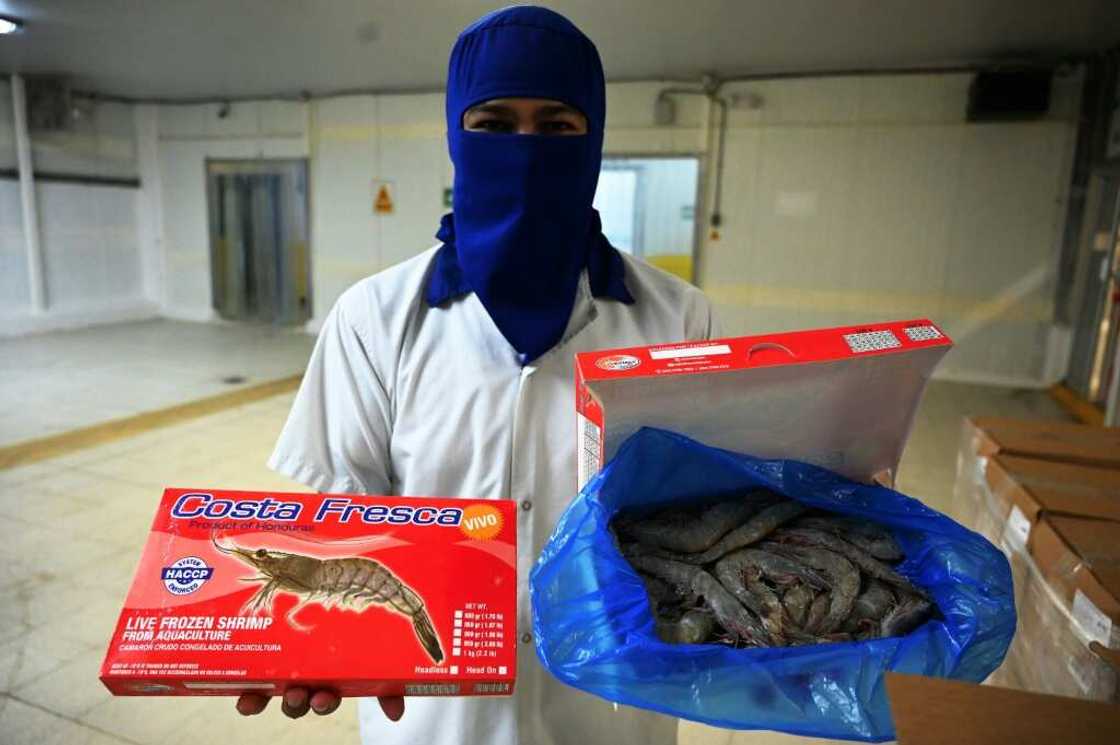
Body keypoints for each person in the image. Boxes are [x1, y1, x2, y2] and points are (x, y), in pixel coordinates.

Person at [237, 6, 717, 744]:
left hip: (610, 716)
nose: (526, 150)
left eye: (557, 125)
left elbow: (703, 522)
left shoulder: (678, 320)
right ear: (456, 138)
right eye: (494, 123)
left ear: (594, 139)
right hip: (431, 716)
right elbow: (343, 524)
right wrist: (308, 638)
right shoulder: (374, 318)